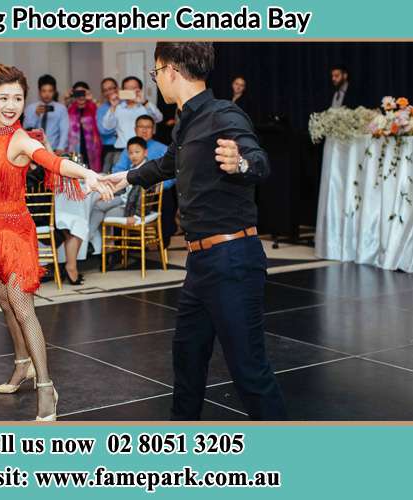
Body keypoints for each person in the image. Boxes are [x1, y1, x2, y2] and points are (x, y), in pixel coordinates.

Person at [105, 42, 287, 421]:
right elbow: (167, 164)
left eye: (156, 73)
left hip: (232, 260)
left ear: (171, 70)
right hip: (202, 264)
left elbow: (259, 161)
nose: (157, 81)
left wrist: (240, 164)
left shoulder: (224, 114)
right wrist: (123, 178)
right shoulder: (186, 121)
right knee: (187, 360)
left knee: (249, 373)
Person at [0, 64, 113, 421]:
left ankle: (46, 387)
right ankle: (21, 365)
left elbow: (54, 162)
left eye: (18, 98)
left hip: (16, 234)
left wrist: (87, 173)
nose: (12, 105)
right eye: (4, 98)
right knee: (5, 306)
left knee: (24, 309)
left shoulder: (21, 139)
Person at [110, 114, 177, 245]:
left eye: (148, 127)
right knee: (119, 200)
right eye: (141, 127)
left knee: (166, 196)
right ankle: (121, 245)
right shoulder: (129, 149)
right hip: (133, 188)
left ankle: (162, 240)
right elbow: (117, 170)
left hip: (156, 192)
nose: (144, 130)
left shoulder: (163, 149)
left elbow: (173, 173)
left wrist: (159, 185)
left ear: (154, 130)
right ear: (135, 129)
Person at [89, 136, 150, 244]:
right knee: (98, 204)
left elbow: (144, 195)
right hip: (125, 200)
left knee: (104, 212)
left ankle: (92, 240)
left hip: (131, 206)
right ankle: (97, 241)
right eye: (131, 153)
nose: (133, 155)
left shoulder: (145, 170)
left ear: (145, 152)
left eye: (137, 152)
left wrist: (137, 215)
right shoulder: (135, 167)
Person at [101, 76, 163, 154]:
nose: (130, 91)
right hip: (121, 150)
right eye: (127, 88)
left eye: (133, 88)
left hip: (143, 150)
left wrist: (144, 102)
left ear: (140, 90)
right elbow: (107, 126)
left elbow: (159, 118)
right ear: (122, 90)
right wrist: (113, 106)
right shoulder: (117, 108)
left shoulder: (145, 106)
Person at [23, 74, 69, 155]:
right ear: (39, 91)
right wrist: (36, 115)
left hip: (54, 149)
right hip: (34, 150)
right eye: (44, 91)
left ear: (54, 91)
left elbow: (64, 130)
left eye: (50, 91)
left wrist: (60, 148)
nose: (47, 94)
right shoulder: (30, 108)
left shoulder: (61, 109)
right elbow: (26, 129)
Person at [66, 82, 102, 172]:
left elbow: (102, 117)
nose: (80, 96)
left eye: (83, 93)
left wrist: (92, 99)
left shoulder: (94, 106)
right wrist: (66, 99)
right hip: (74, 148)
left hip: (92, 148)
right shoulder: (70, 108)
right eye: (77, 93)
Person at [97, 77, 119, 173]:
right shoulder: (101, 109)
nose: (109, 92)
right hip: (109, 147)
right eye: (105, 90)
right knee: (107, 175)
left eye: (111, 88)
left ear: (117, 88)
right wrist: (118, 130)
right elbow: (103, 130)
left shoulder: (125, 104)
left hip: (127, 146)